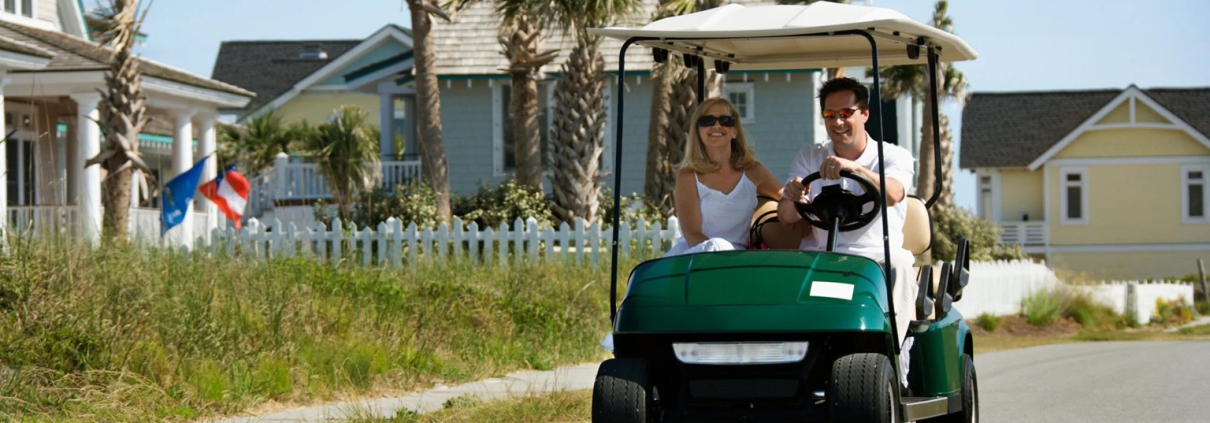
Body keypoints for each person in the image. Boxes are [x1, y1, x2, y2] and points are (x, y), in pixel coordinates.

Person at [775, 77, 918, 389]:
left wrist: (855, 170)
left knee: (901, 267)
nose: (837, 122)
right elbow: (785, 218)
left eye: (845, 113)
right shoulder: (810, 155)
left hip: (875, 258)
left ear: (864, 114)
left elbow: (893, 193)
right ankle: (788, 372)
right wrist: (791, 194)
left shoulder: (893, 156)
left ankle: (893, 359)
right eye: (829, 115)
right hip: (821, 258)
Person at [663, 97, 783, 257]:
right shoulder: (688, 176)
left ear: (735, 131)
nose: (717, 125)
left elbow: (787, 196)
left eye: (726, 120)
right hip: (697, 256)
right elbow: (692, 235)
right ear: (698, 130)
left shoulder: (753, 171)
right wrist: (720, 256)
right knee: (716, 245)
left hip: (736, 260)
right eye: (707, 120)